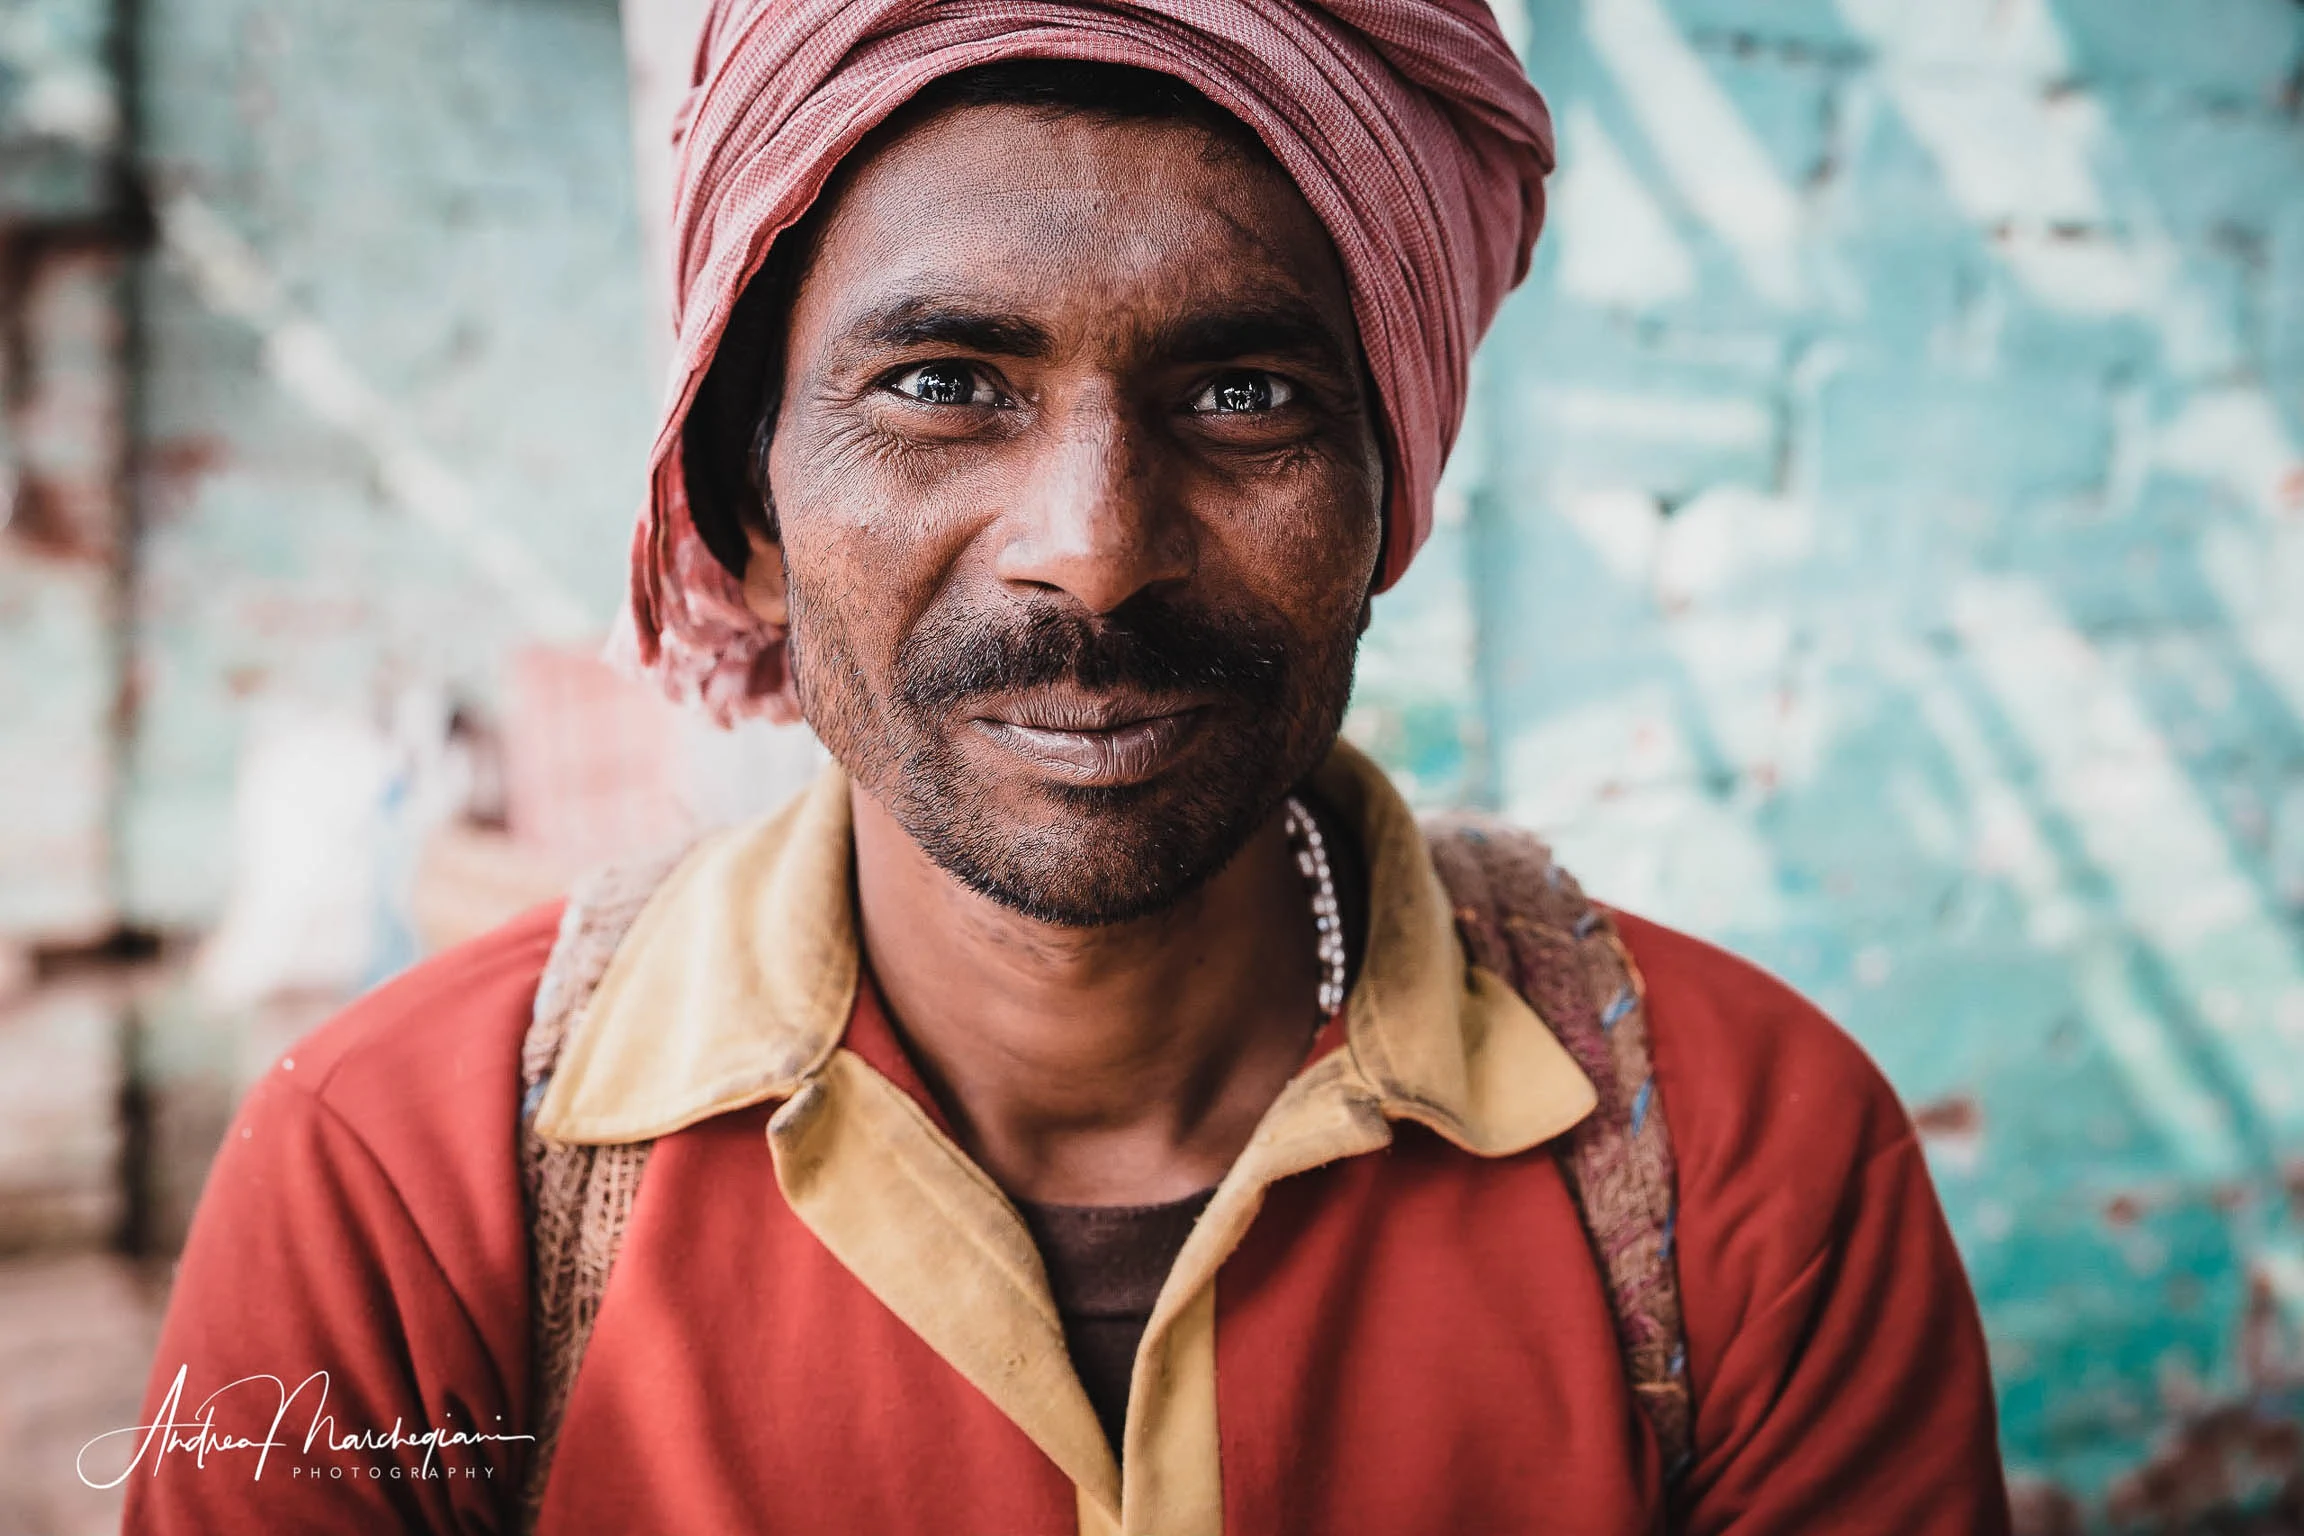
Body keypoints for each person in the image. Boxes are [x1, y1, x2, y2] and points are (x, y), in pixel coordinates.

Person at [122, 2, 2012, 1532]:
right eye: (944, 386)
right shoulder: (400, 1187)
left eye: (1246, 393)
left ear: (1388, 505)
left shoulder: (1753, 1175)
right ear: (752, 510)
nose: (1095, 549)